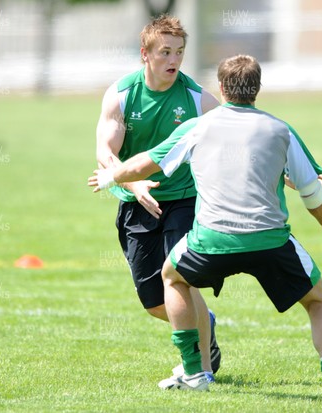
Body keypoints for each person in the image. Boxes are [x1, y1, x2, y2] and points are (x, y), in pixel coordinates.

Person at [89, 54, 322, 400]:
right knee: (317, 300)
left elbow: (148, 163)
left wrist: (112, 174)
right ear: (257, 89)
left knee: (171, 276)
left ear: (221, 87)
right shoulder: (281, 129)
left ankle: (194, 372)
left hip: (211, 241)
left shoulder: (197, 127)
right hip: (270, 241)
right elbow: (311, 192)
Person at [94, 15, 221, 381]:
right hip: (136, 203)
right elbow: (105, 151)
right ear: (144, 55)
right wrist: (135, 185)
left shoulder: (196, 98)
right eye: (165, 52)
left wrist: (290, 174)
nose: (174, 60)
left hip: (184, 198)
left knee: (178, 277)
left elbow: (240, 131)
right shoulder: (121, 94)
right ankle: (204, 324)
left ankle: (202, 369)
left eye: (179, 52)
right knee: (154, 301)